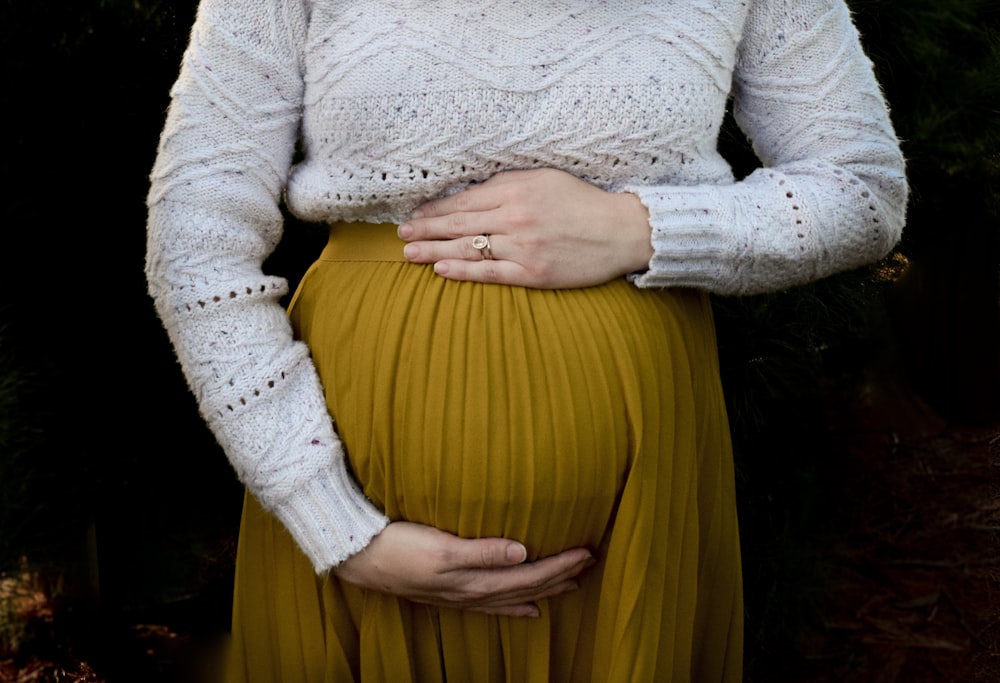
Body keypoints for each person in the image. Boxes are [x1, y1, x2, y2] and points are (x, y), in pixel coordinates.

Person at [145, 0, 907, 680]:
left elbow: (860, 187)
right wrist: (333, 523)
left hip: (634, 527)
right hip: (349, 528)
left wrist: (640, 227)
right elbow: (196, 238)